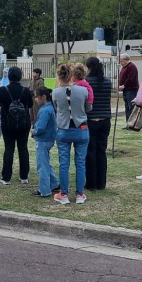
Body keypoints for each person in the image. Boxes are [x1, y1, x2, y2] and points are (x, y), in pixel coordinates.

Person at [52, 64, 90, 204]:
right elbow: (88, 108)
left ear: (59, 76)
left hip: (64, 129)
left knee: (64, 164)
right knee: (80, 163)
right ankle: (80, 194)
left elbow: (57, 109)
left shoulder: (55, 92)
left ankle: (64, 194)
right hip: (81, 129)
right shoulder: (83, 90)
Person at [0, 66, 33, 185]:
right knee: (23, 148)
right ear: (20, 77)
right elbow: (31, 105)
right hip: (23, 123)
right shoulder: (26, 90)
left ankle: (6, 177)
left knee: (9, 148)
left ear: (9, 76)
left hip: (7, 123)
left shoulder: (2, 90)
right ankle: (24, 176)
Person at [84, 57, 112, 191]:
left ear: (89, 67)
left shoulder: (87, 82)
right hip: (105, 120)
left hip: (90, 119)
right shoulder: (107, 82)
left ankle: (91, 183)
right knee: (102, 151)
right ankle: (101, 183)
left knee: (90, 152)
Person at [31, 86, 59, 197]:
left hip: (43, 140)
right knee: (46, 163)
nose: (35, 100)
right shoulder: (50, 108)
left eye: (37, 97)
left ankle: (44, 190)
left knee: (42, 166)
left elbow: (41, 127)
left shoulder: (45, 110)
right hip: (48, 139)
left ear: (43, 97)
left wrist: (34, 132)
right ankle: (54, 183)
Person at [119, 53, 139, 128]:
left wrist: (124, 85)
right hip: (126, 90)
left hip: (131, 90)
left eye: (121, 60)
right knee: (127, 107)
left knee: (131, 108)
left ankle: (133, 124)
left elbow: (130, 78)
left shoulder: (131, 67)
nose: (120, 62)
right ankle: (128, 124)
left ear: (125, 60)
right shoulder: (124, 67)